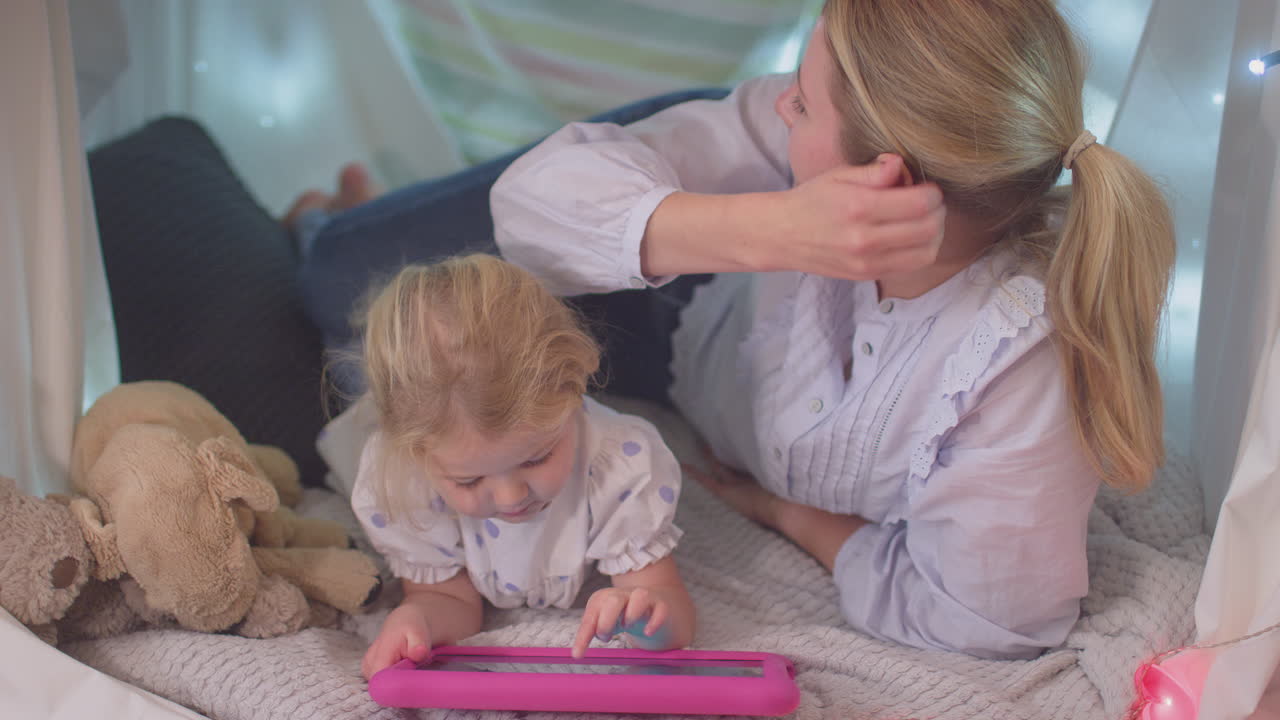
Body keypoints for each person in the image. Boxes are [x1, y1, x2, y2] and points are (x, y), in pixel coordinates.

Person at [294, 0, 1175, 660]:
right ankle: (337, 214)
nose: (779, 105)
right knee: (335, 280)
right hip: (675, 263)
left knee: (362, 302)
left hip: (684, 354)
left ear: (886, 174)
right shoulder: (771, 139)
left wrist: (792, 517)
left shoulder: (1012, 372)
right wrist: (774, 227)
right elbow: (530, 205)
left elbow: (982, 618)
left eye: (803, 102)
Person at [349, 254, 695, 680]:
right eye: (469, 480)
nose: (512, 496)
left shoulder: (618, 464)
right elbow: (451, 601)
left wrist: (646, 614)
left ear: (572, 391)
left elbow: (669, 606)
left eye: (536, 458)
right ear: (419, 457)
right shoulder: (407, 481)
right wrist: (416, 619)